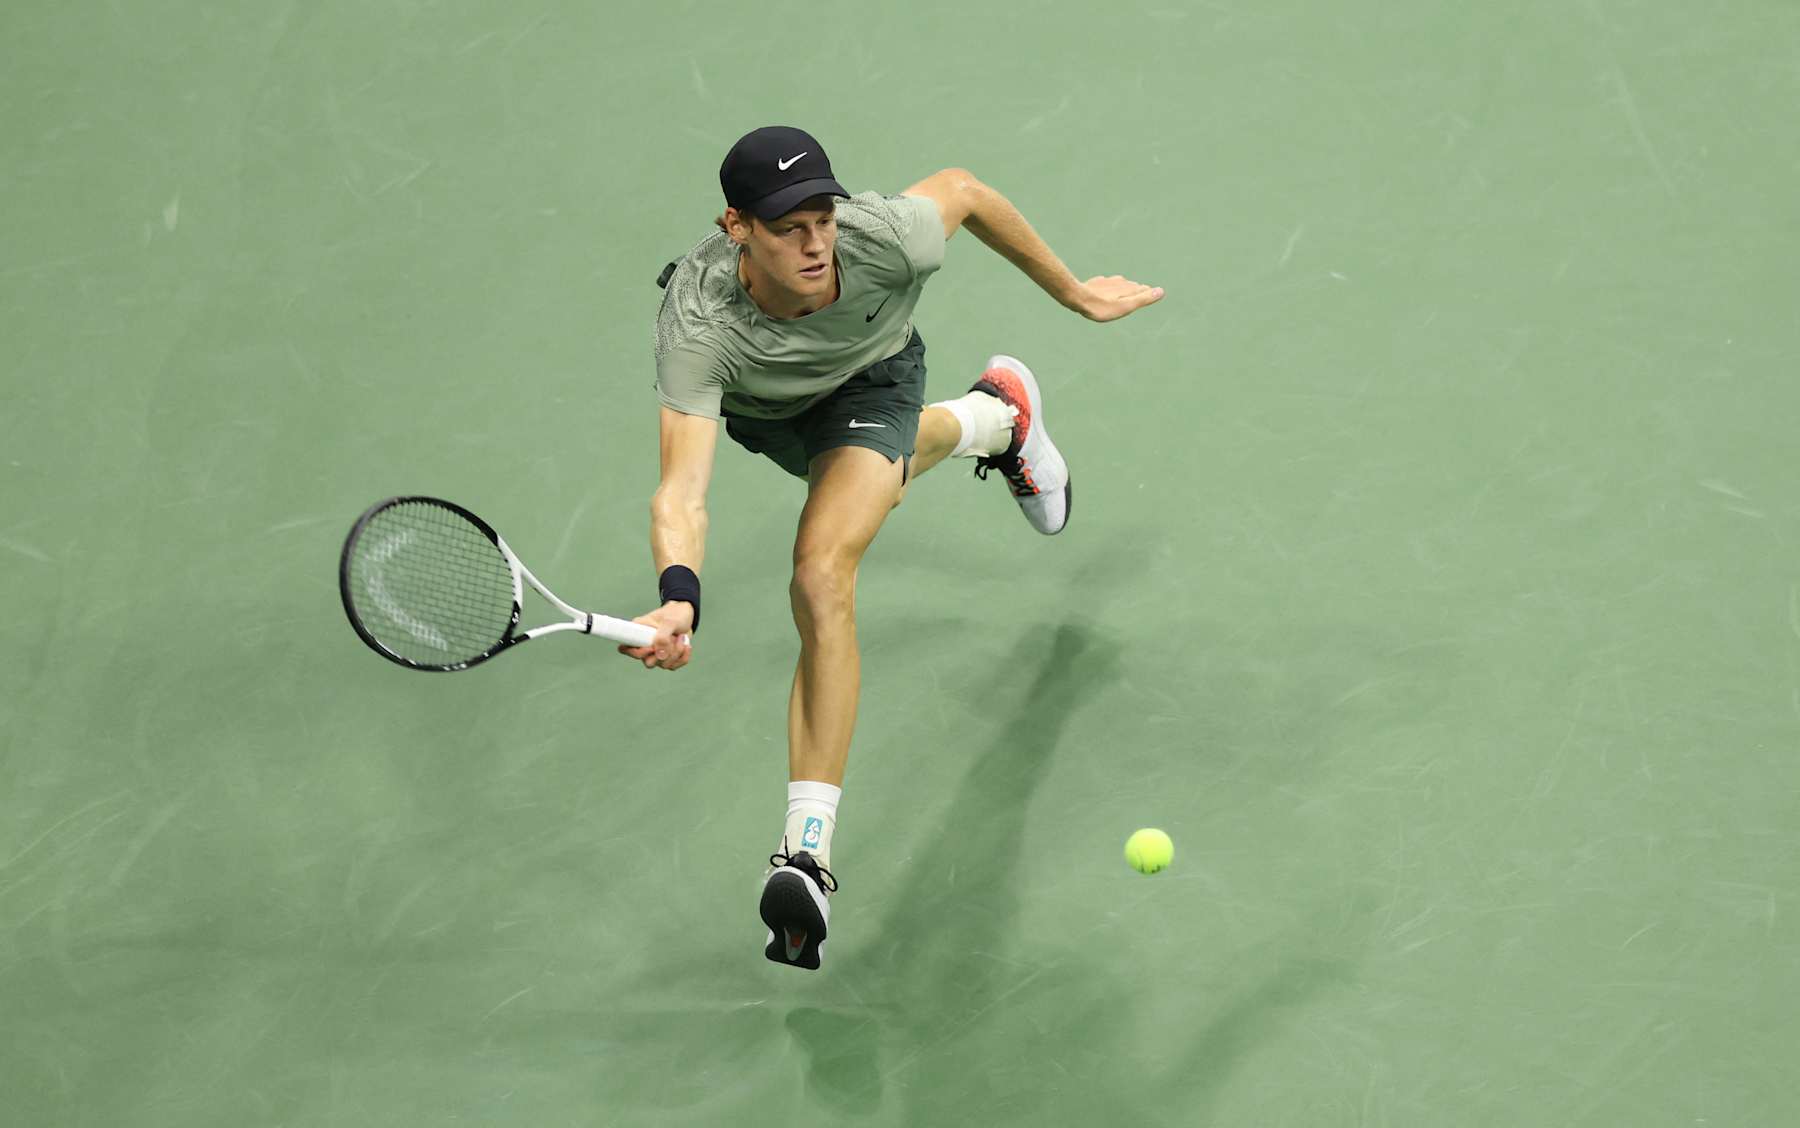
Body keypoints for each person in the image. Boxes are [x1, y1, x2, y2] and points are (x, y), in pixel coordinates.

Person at [620, 126, 1163, 970]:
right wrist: (678, 593)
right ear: (737, 228)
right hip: (772, 417)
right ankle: (998, 416)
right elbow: (680, 491)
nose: (814, 244)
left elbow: (964, 189)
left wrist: (1076, 296)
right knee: (878, 478)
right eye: (787, 228)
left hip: (874, 379)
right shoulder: (698, 326)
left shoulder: (884, 241)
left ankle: (805, 854)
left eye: (823, 219)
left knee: (820, 572)